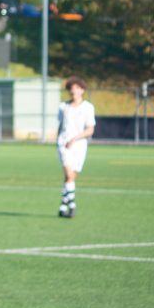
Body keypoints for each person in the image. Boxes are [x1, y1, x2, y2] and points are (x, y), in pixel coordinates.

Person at [56, 76, 96, 219]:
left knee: (70, 178)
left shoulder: (88, 107)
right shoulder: (63, 107)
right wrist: (61, 141)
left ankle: (63, 205)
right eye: (71, 88)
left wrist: (75, 138)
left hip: (79, 145)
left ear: (82, 90)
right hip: (64, 144)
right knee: (69, 175)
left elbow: (90, 130)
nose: (73, 91)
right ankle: (72, 206)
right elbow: (60, 127)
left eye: (76, 88)